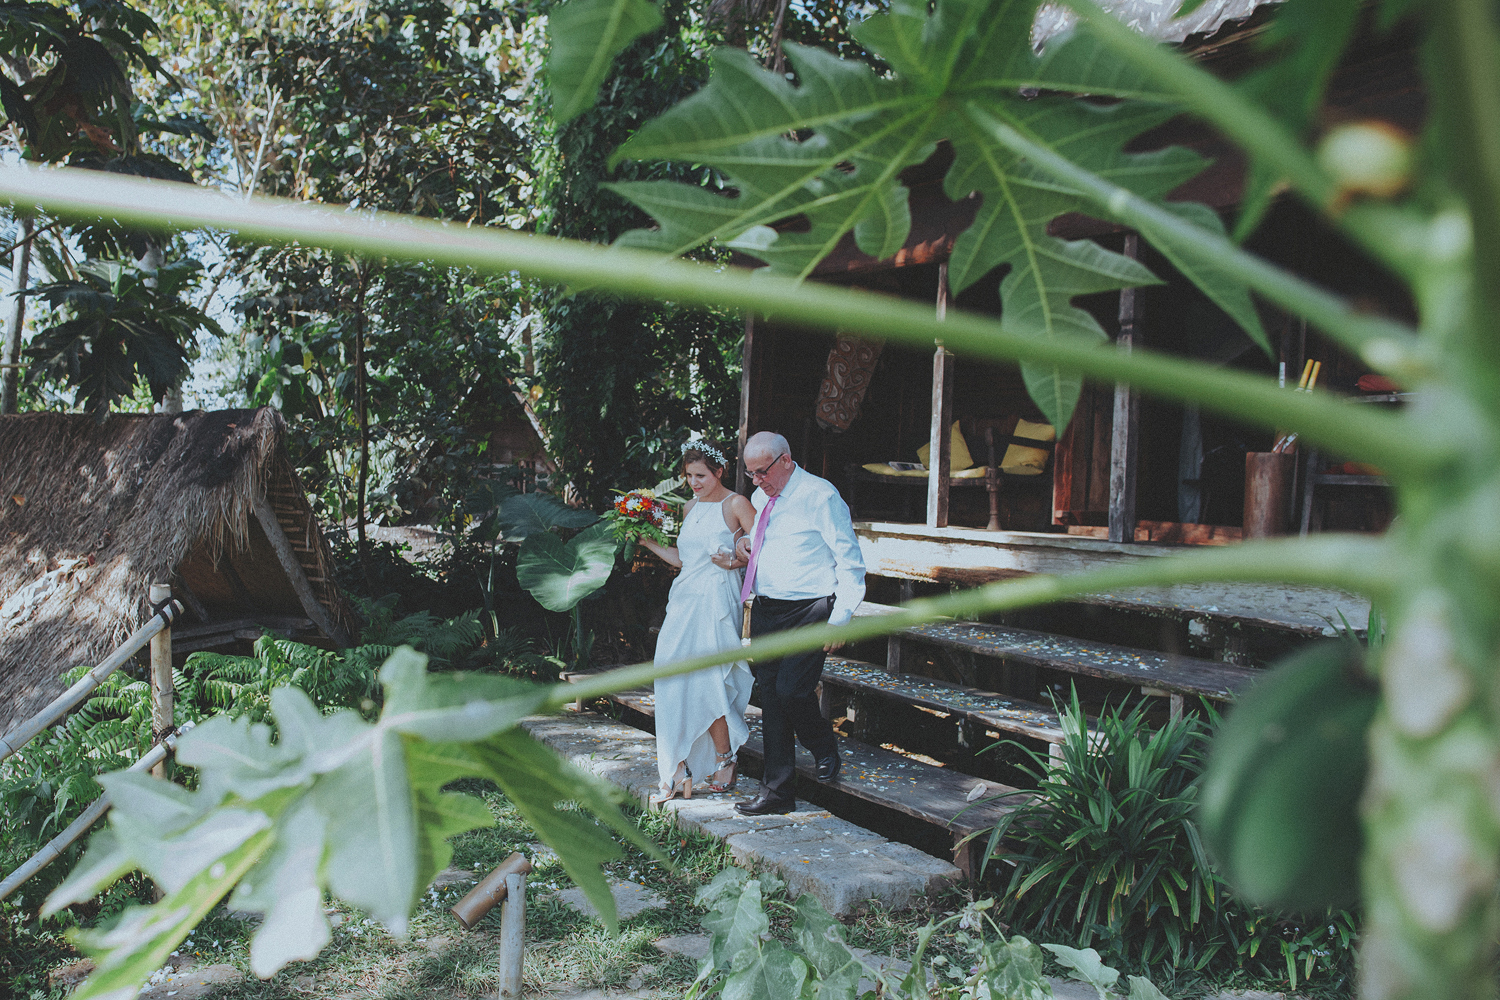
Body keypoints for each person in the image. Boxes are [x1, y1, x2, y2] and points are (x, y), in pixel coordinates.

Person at [733, 431, 866, 816]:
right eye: (751, 474)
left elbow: (850, 561)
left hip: (810, 609)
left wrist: (841, 619)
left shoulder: (821, 496)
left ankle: (823, 745)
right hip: (768, 608)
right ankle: (776, 793)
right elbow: (764, 546)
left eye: (763, 472)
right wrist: (744, 543)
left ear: (786, 461)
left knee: (792, 691)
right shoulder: (762, 498)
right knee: (771, 696)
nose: (757, 482)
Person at [636, 442, 758, 803]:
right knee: (671, 673)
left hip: (717, 599)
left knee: (709, 678)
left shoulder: (736, 504)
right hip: (685, 597)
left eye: (700, 475)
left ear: (719, 471)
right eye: (689, 476)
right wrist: (647, 542)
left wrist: (736, 564)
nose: (694, 482)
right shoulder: (690, 507)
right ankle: (679, 764)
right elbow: (684, 558)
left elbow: (764, 550)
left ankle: (725, 759)